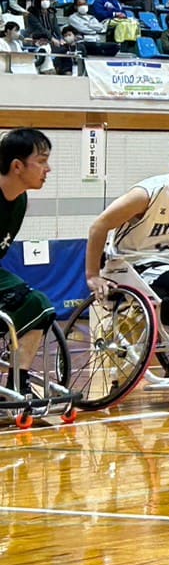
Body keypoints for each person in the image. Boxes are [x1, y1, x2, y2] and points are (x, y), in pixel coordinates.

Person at [83, 134, 169, 378]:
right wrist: (93, 275)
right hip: (130, 263)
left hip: (168, 264)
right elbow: (98, 226)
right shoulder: (147, 194)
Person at [0, 129, 58, 395]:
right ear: (17, 166)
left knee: (38, 304)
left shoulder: (20, 200)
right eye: (42, 161)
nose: (48, 169)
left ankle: (17, 382)